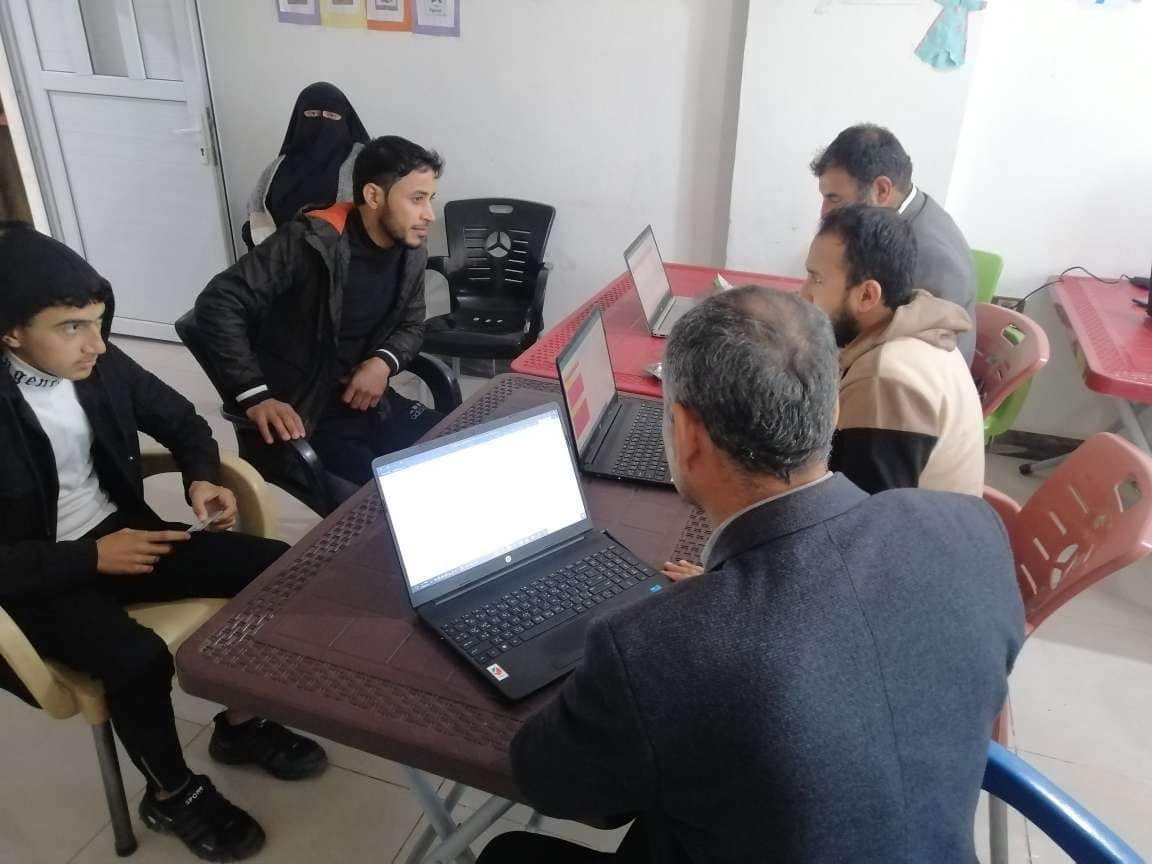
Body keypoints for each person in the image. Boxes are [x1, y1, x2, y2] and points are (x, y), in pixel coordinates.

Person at [480, 287, 1023, 863]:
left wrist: (691, 629)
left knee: (507, 852)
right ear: (833, 413)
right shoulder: (971, 531)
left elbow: (549, 782)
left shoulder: (651, 649)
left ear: (686, 435)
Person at [0, 224, 327, 862]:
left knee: (274, 570)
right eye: (71, 327)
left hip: (119, 535)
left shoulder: (98, 365)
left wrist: (202, 478)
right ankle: (171, 792)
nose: (97, 343)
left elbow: (182, 420)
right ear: (11, 331)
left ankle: (240, 724)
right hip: (36, 575)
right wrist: (89, 558)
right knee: (135, 659)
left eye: (99, 322)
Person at [194, 136, 444, 498]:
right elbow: (218, 302)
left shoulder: (411, 250)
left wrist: (382, 363)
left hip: (371, 404)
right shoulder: (310, 242)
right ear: (374, 196)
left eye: (430, 199)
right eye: (417, 199)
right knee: (399, 498)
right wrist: (256, 395)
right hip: (308, 414)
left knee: (459, 450)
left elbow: (412, 325)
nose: (429, 215)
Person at [803, 204, 985, 497]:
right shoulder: (921, 327)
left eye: (817, 279)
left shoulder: (884, 377)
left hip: (915, 525)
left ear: (867, 295)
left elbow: (868, 511)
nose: (804, 293)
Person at [811, 123, 977, 363]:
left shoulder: (932, 259)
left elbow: (912, 359)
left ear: (881, 190)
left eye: (834, 198)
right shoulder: (908, 214)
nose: (825, 212)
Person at [246, 82, 370, 247]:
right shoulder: (277, 168)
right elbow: (257, 213)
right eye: (312, 114)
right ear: (299, 119)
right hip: (284, 257)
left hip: (346, 258)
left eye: (331, 116)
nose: (322, 123)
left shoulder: (363, 164)